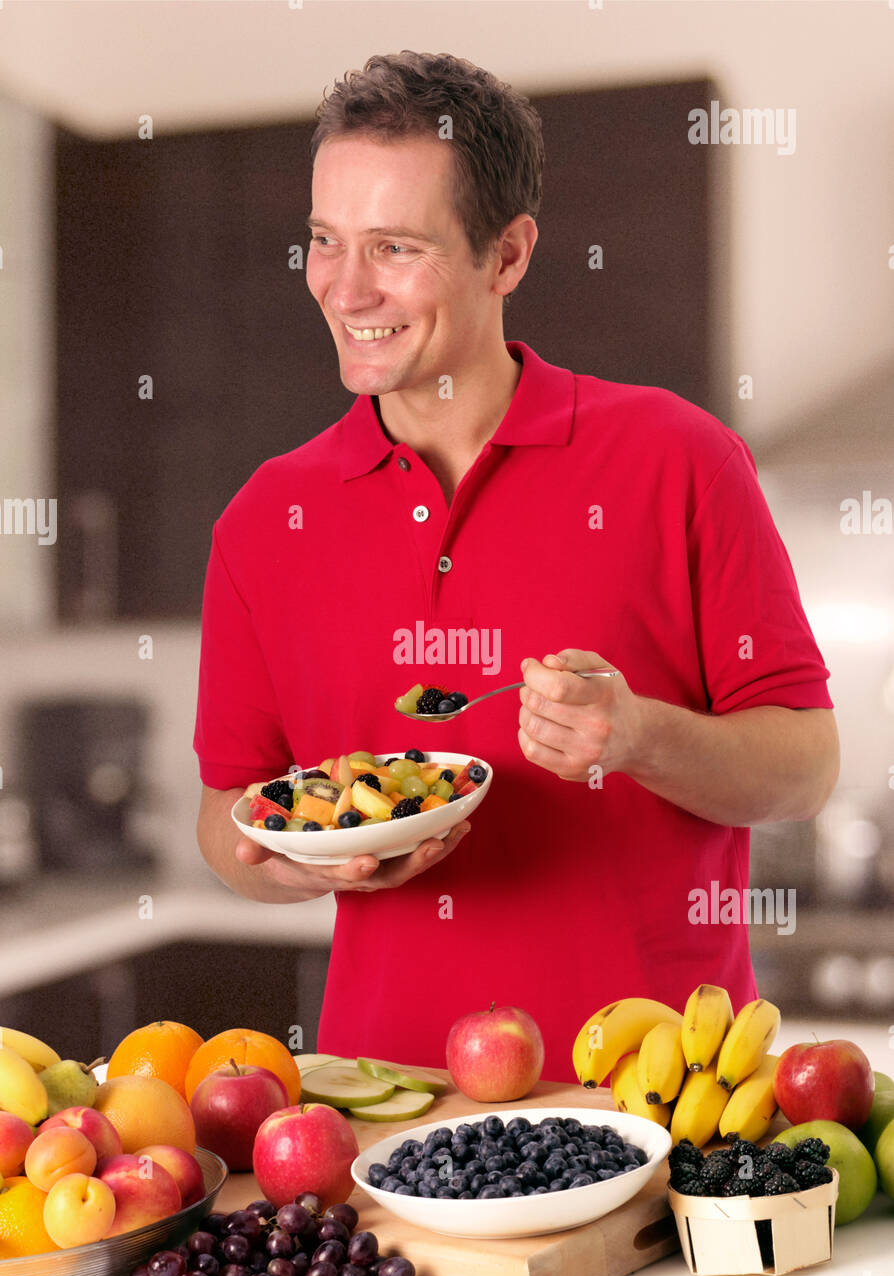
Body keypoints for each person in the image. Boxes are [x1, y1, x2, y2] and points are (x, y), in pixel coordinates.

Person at [194, 52, 838, 1083]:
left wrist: (637, 734)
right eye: (325, 240)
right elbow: (228, 813)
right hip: (386, 1114)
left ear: (508, 254)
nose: (346, 288)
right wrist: (313, 864)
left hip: (660, 1102)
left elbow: (805, 768)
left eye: (394, 248)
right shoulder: (265, 520)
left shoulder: (678, 459)